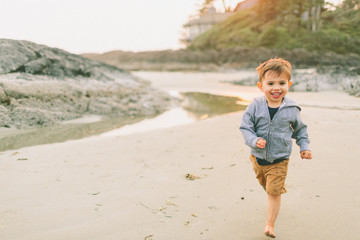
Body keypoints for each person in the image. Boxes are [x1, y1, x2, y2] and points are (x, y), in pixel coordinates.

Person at [239, 58, 312, 238]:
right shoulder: (255, 106)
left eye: (281, 83)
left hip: (280, 158)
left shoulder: (292, 109)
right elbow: (245, 127)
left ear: (289, 84)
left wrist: (304, 147)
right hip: (257, 157)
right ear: (261, 85)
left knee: (273, 192)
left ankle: (270, 224)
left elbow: (300, 130)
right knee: (265, 185)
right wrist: (254, 140)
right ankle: (274, 190)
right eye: (270, 83)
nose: (276, 88)